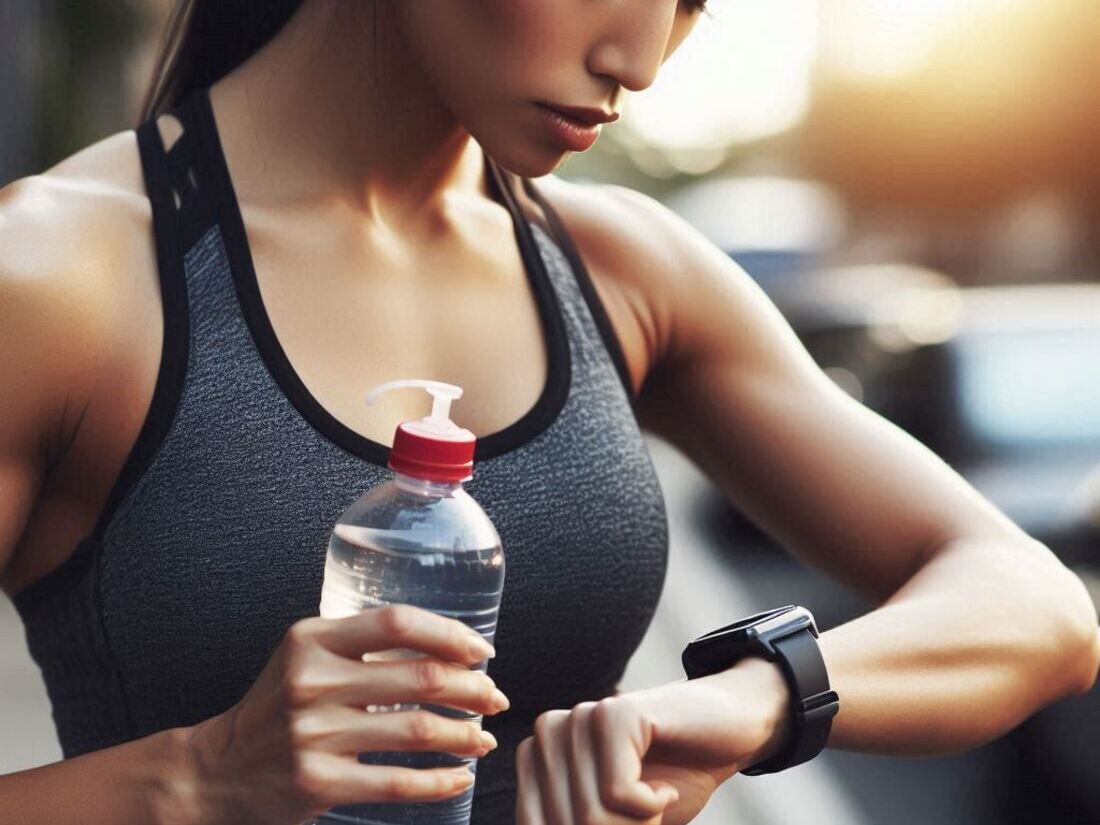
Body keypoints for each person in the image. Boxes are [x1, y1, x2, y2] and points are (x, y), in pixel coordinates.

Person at [1, 1, 1097, 824]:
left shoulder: (624, 267)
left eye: (690, 1)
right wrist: (196, 777)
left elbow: (1034, 612)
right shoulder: (60, 279)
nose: (642, 58)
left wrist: (751, 702)